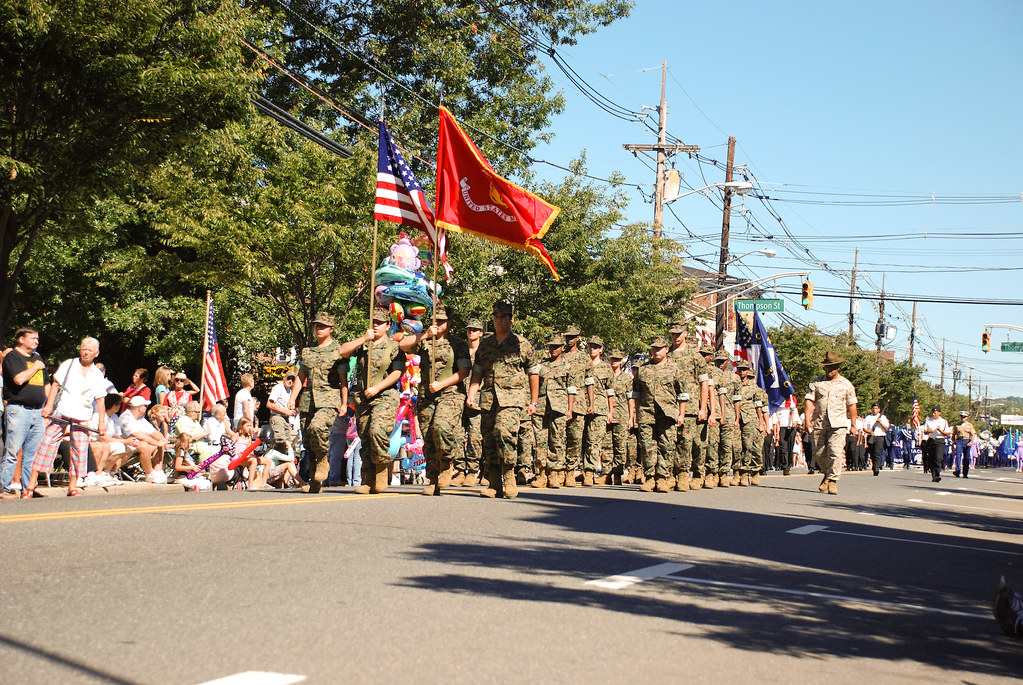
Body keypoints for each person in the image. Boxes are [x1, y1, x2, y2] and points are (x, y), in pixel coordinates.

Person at [466, 301, 540, 499]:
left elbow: (533, 372)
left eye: (503, 317)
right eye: (496, 317)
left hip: (513, 398)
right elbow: (478, 370)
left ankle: (509, 476)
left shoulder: (521, 344)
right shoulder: (486, 344)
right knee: (489, 439)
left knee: (504, 432)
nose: (499, 320)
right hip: (489, 398)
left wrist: (534, 402)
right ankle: (494, 484)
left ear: (511, 319)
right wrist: (472, 393)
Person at [399, 303, 471, 496]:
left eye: (442, 321)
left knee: (441, 428)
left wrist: (442, 384)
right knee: (429, 437)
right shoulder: (425, 341)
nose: (438, 324)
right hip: (426, 395)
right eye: (435, 320)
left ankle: (447, 463)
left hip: (451, 393)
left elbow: (464, 372)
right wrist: (425, 335)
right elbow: (403, 345)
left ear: (449, 322)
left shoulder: (457, 344)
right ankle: (433, 478)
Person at [25, 337, 109, 497]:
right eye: (84, 348)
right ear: (80, 350)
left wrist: (102, 423)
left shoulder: (97, 374)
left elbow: (100, 399)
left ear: (96, 353)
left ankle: (73, 486)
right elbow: (55, 385)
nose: (86, 352)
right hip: (62, 411)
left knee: (80, 450)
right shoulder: (69, 364)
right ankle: (31, 484)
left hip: (82, 415)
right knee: (46, 444)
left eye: (90, 350)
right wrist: (48, 406)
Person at [338, 307, 403, 495]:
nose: (375, 325)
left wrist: (377, 387)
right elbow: (342, 351)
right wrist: (364, 339)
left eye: (380, 323)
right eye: (373, 322)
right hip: (362, 398)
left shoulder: (394, 347)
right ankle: (369, 477)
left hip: (384, 396)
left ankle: (382, 470)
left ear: (388, 326)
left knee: (377, 431)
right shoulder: (364, 345)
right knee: (365, 437)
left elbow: (397, 372)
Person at [288, 312, 353, 494]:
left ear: (331, 329)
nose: (319, 329)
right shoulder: (307, 351)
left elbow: (343, 381)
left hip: (329, 399)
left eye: (323, 326)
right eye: (317, 325)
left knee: (317, 428)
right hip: (308, 400)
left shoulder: (338, 351)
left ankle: (324, 458)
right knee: (308, 441)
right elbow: (301, 377)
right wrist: (292, 398)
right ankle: (315, 481)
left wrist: (344, 403)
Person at [1, 327, 50, 498]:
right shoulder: (12, 357)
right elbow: (19, 379)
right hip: (19, 410)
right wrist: (36, 367)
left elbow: (46, 383)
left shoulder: (37, 357)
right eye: (33, 338)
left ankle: (28, 488)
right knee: (13, 451)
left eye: (37, 338)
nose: (36, 341)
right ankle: (4, 488)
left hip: (37, 412)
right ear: (21, 339)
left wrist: (48, 404)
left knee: (33, 454)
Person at [634, 335, 685, 493]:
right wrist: (636, 414)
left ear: (666, 350)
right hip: (646, 413)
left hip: (668, 414)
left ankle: (662, 478)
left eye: (659, 348)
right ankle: (650, 478)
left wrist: (681, 414)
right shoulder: (643, 369)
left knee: (666, 446)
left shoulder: (675, 369)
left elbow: (682, 395)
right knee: (647, 447)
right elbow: (636, 394)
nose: (656, 351)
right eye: (654, 348)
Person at [804, 350, 859, 495]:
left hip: (838, 423)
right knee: (818, 452)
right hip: (820, 422)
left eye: (832, 367)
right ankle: (828, 474)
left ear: (838, 368)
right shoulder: (816, 383)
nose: (829, 370)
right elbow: (809, 400)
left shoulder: (846, 384)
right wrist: (807, 419)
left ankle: (833, 481)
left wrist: (853, 425)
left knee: (835, 452)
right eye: (827, 367)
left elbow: (852, 405)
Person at [668, 325, 709, 491]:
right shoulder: (666, 354)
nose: (676, 337)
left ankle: (684, 474)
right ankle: (670, 474)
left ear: (685, 334)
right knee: (670, 441)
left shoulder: (695, 356)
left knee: (687, 441)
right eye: (673, 334)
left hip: (691, 405)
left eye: (679, 334)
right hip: (669, 405)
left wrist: (703, 407)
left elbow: (704, 382)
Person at [537, 333, 579, 488]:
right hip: (542, 407)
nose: (553, 349)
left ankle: (555, 473)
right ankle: (541, 473)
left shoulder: (568, 366)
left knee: (557, 441)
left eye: (556, 346)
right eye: (551, 346)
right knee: (540, 441)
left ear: (562, 347)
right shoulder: (541, 365)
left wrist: (570, 409)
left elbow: (571, 389)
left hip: (559, 407)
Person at [453, 318, 485, 487]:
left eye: (475, 329)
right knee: (457, 435)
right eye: (469, 329)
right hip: (458, 396)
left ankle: (473, 471)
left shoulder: (485, 351)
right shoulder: (460, 350)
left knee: (475, 437)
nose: (471, 331)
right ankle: (459, 469)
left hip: (478, 399)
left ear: (480, 332)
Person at [582, 336, 614, 486]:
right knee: (580, 440)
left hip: (600, 408)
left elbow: (610, 391)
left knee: (593, 441)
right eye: (590, 346)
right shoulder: (583, 365)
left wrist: (610, 412)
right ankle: (580, 470)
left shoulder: (606, 368)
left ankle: (589, 472)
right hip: (581, 406)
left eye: (596, 347)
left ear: (601, 349)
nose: (592, 349)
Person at [561, 325, 588, 487]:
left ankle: (570, 471)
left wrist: (591, 403)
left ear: (578, 338)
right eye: (567, 337)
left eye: (572, 337)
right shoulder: (560, 357)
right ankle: (558, 471)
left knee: (575, 439)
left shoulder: (584, 358)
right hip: (559, 402)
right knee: (558, 439)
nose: (569, 339)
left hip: (578, 404)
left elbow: (590, 382)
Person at [120, 396, 170, 482]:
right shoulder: (126, 418)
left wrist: (163, 441)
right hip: (125, 446)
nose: (147, 408)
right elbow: (140, 436)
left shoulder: (141, 419)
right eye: (145, 406)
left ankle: (158, 471)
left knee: (157, 443)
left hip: (135, 446)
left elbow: (154, 433)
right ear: (139, 408)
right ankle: (149, 474)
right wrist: (158, 443)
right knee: (144, 444)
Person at [735, 361, 767, 486]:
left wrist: (761, 423)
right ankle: (740, 472)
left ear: (748, 371)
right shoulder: (735, 385)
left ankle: (753, 472)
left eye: (744, 369)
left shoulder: (754, 388)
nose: (742, 372)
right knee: (738, 447)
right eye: (740, 369)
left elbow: (759, 406)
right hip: (737, 419)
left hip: (750, 419)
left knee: (750, 446)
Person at [607, 349, 635, 486]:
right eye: (613, 359)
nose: (614, 362)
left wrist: (631, 417)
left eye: (617, 359)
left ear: (621, 361)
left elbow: (630, 398)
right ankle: (606, 474)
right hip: (607, 414)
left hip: (622, 415)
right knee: (606, 445)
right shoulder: (607, 375)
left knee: (620, 446)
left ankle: (617, 474)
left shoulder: (626, 378)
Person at [921, 406, 951, 482]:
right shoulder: (929, 421)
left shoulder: (943, 421)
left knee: (938, 458)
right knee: (931, 459)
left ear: (939, 413)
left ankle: (937, 475)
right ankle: (934, 476)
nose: (934, 414)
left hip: (939, 441)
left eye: (935, 413)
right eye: (933, 413)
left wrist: (940, 430)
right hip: (931, 440)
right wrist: (929, 431)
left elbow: (947, 433)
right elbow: (925, 431)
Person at [863, 403, 890, 476]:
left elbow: (886, 428)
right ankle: (874, 465)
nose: (874, 410)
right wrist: (870, 432)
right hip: (871, 436)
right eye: (873, 408)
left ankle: (876, 468)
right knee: (872, 453)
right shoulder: (868, 417)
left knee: (877, 452)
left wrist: (880, 422)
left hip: (880, 437)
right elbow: (864, 428)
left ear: (879, 409)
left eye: (876, 408)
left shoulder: (883, 417)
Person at [952, 411, 977, 478]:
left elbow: (973, 434)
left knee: (966, 458)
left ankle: (965, 473)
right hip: (959, 440)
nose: (963, 418)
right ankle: (958, 471)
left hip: (967, 440)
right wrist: (953, 442)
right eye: (962, 417)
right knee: (958, 456)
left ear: (967, 418)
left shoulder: (969, 425)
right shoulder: (957, 425)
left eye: (964, 417)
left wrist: (971, 442)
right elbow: (954, 434)